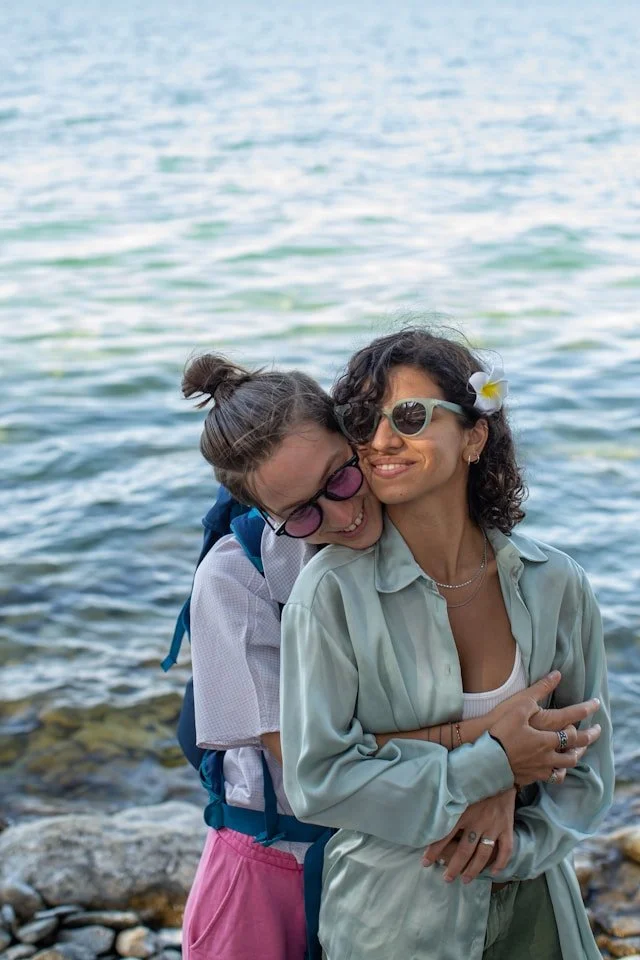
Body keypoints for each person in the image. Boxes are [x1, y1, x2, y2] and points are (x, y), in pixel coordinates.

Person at [180, 351, 603, 960]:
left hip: (390, 857)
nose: (344, 515)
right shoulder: (239, 580)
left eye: (342, 478)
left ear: (356, 443)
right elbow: (307, 768)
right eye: (301, 514)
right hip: (272, 861)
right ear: (268, 516)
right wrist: (502, 751)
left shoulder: (489, 566)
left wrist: (506, 776)